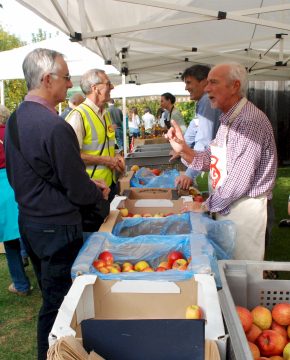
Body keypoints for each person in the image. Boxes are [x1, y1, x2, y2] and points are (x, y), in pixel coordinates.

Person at [5, 48, 110, 360]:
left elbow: (27, 174)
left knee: (52, 296)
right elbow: (76, 189)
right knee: (58, 303)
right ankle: (51, 353)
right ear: (47, 79)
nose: (69, 85)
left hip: (31, 222)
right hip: (57, 227)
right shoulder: (55, 126)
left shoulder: (15, 119)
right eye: (65, 78)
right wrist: (96, 193)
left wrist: (83, 185)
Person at [166, 62, 277, 261]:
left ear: (235, 86)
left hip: (245, 209)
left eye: (213, 82)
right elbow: (211, 157)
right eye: (207, 83)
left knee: (243, 274)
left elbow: (239, 181)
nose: (207, 88)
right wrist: (184, 150)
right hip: (231, 206)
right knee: (231, 270)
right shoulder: (230, 118)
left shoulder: (248, 122)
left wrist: (204, 206)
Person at [66, 69, 125, 202]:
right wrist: (106, 160)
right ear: (96, 88)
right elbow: (70, 157)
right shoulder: (78, 115)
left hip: (108, 185)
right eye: (108, 83)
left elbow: (103, 146)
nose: (112, 87)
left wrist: (115, 157)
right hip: (91, 188)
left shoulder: (106, 114)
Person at [0, 104, 32, 296]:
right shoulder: (14, 132)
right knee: (26, 232)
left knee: (10, 240)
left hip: (3, 188)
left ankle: (21, 284)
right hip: (19, 183)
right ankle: (27, 257)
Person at [175, 65, 221, 190]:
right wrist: (181, 149)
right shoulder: (203, 101)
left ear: (204, 82)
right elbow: (195, 127)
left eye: (189, 82)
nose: (186, 87)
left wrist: (189, 174)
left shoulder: (206, 101)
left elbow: (204, 141)